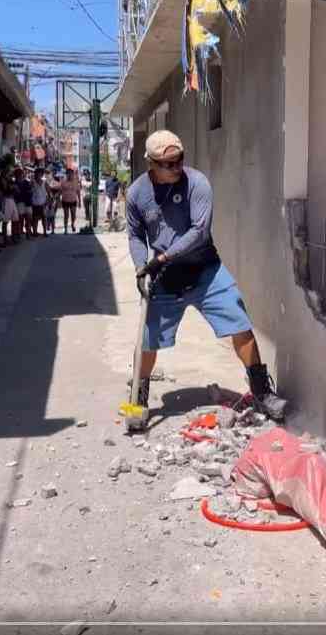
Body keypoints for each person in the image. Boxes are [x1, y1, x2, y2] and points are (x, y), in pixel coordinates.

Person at [126, 129, 287, 430]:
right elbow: (135, 235)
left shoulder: (197, 183)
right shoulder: (137, 194)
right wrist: (140, 268)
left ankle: (262, 392)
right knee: (147, 339)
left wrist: (160, 258)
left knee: (239, 322)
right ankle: (138, 399)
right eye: (168, 164)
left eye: (180, 160)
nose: (177, 167)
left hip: (205, 271)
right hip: (165, 279)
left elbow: (199, 232)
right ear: (151, 164)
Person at [0, 166, 20, 245]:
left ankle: (13, 237)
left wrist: (13, 187)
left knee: (15, 219)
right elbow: (5, 189)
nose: (11, 172)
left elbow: (16, 190)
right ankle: (5, 239)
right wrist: (13, 187)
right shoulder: (2, 178)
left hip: (12, 200)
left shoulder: (10, 179)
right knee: (5, 220)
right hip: (6, 199)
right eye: (10, 170)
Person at [13, 167, 33, 238]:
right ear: (16, 175)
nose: (20, 175)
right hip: (20, 202)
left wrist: (24, 192)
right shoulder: (14, 183)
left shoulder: (26, 182)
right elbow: (16, 193)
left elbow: (30, 191)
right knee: (20, 219)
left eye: (21, 173)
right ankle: (19, 232)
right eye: (18, 173)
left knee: (28, 218)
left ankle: (28, 232)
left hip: (27, 202)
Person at [61, 168, 80, 234]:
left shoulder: (76, 182)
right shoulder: (63, 182)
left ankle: (72, 224)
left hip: (73, 201)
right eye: (68, 174)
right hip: (65, 200)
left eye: (71, 174)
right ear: (66, 174)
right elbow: (60, 191)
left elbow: (78, 192)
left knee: (73, 215)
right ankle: (65, 228)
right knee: (66, 215)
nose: (70, 175)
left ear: (73, 174)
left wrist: (79, 201)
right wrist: (58, 200)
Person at [32, 168, 48, 237]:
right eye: (37, 173)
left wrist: (48, 201)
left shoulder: (44, 182)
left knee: (44, 218)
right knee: (35, 219)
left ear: (41, 175)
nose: (38, 175)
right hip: (35, 203)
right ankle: (35, 232)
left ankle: (45, 232)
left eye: (40, 173)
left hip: (43, 203)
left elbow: (48, 192)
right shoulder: (32, 182)